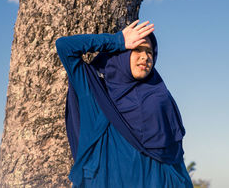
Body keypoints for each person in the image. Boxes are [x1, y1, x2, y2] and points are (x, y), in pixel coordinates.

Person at [56, 20, 193, 187]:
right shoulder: (94, 90)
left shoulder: (159, 96)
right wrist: (118, 41)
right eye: (137, 49)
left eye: (150, 52)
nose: (145, 57)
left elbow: (174, 157)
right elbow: (64, 46)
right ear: (122, 53)